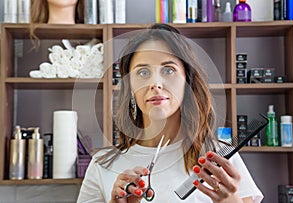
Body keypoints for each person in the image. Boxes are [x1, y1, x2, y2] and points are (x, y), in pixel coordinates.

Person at [77, 23, 263, 203]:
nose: (156, 83)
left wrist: (230, 202)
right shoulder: (102, 165)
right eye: (142, 72)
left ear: (187, 82)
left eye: (168, 70)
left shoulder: (220, 159)